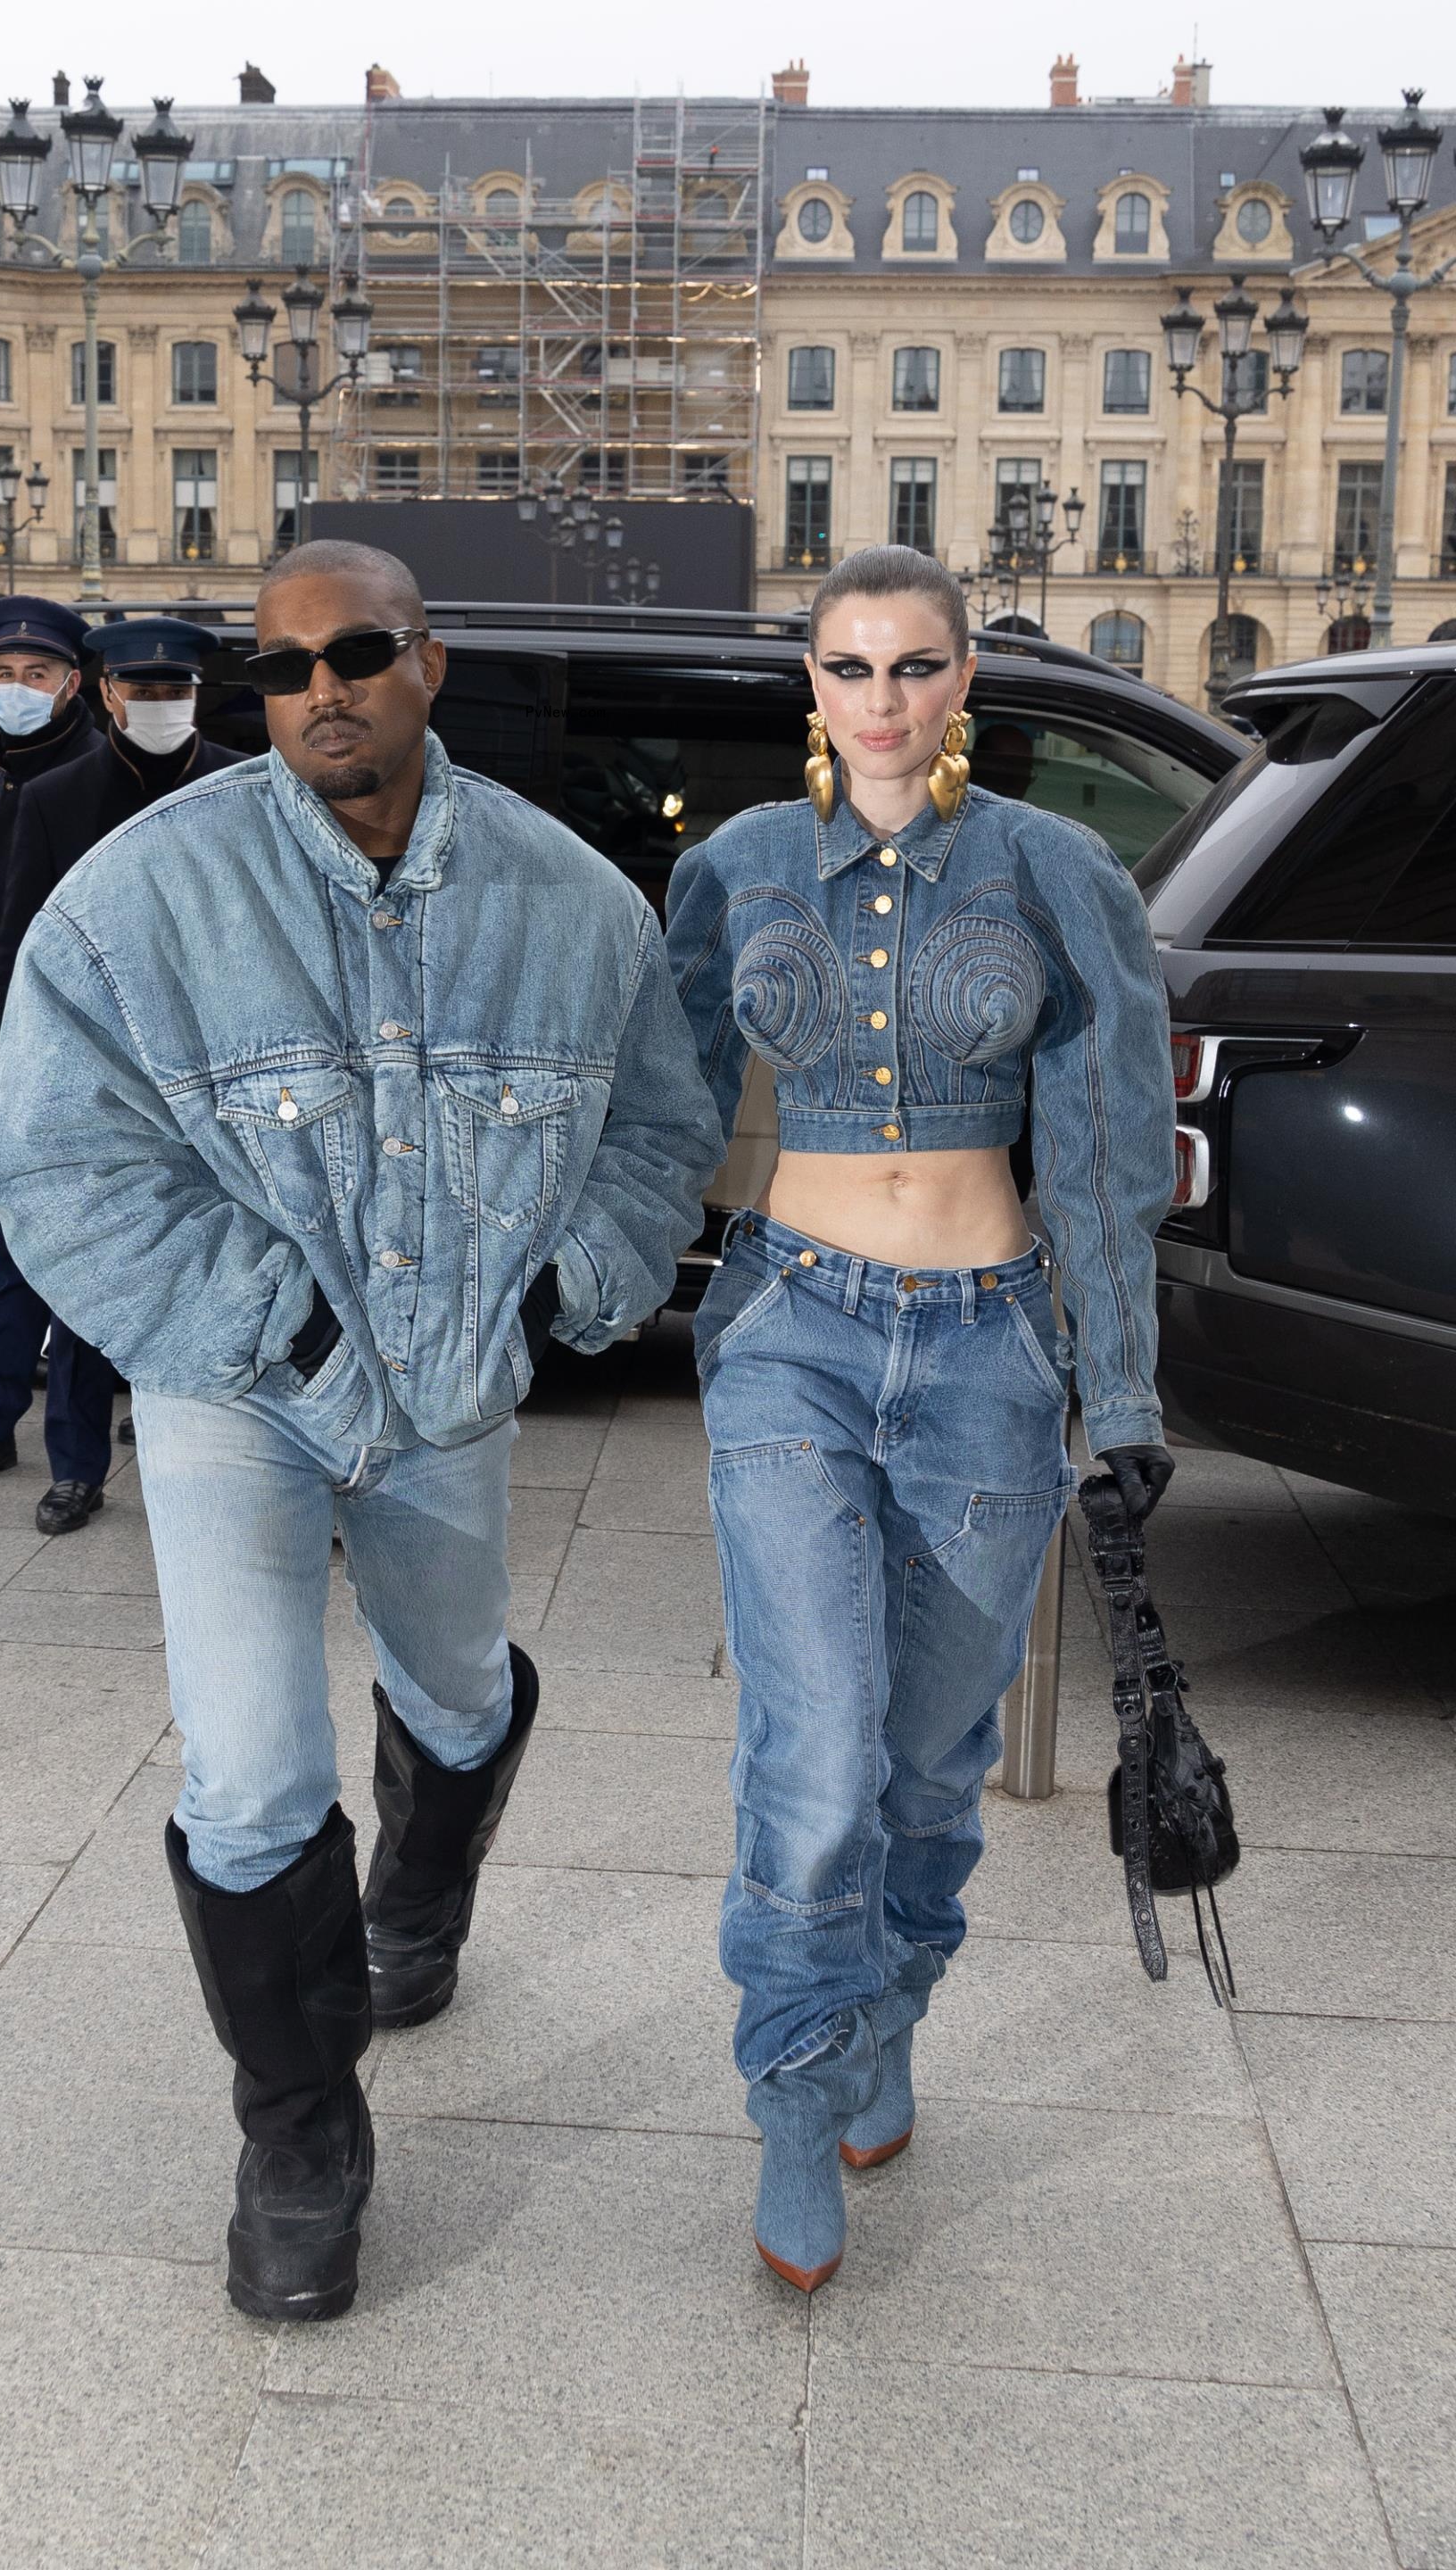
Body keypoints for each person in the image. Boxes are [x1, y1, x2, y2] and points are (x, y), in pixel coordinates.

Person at [0, 541, 721, 2324]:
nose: (321, 685)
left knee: (453, 1684)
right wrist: (280, 1317)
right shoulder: (141, 895)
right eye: (285, 661)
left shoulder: (570, 903)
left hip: (456, 1390)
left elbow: (658, 1130)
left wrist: (566, 1296)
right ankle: (300, 2138)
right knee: (246, 1771)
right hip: (234, 1394)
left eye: (360, 650)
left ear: (429, 665)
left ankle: (430, 1877)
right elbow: (63, 1167)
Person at [665, 544, 1175, 2295]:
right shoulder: (735, 867)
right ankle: (797, 2103)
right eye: (849, 668)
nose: (880, 700)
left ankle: (886, 2014)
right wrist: (585, 1269)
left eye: (914, 667)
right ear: (809, 687)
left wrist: (1119, 1384)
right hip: (793, 1335)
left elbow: (1105, 1149)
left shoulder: (1055, 871)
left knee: (926, 1777)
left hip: (984, 1357)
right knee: (811, 1763)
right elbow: (664, 1107)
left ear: (966, 684)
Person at [0, 617, 250, 1529]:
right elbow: (21, 948)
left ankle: (215, 1457)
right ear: (107, 693)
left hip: (216, 1073)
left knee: (214, 1270)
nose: (161, 704)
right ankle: (76, 1465)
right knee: (89, 1267)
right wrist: (20, 1072)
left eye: (177, 691)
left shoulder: (243, 785)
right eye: (144, 690)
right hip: (98, 1074)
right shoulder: (54, 798)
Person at [0, 595, 109, 1521]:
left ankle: (76, 1459)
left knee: (75, 1254)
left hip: (73, 1057)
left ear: (73, 685)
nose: (15, 690)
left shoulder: (89, 771)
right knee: (15, 1243)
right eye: (4, 675)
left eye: (36, 675)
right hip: (5, 1048)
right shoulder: (2, 767)